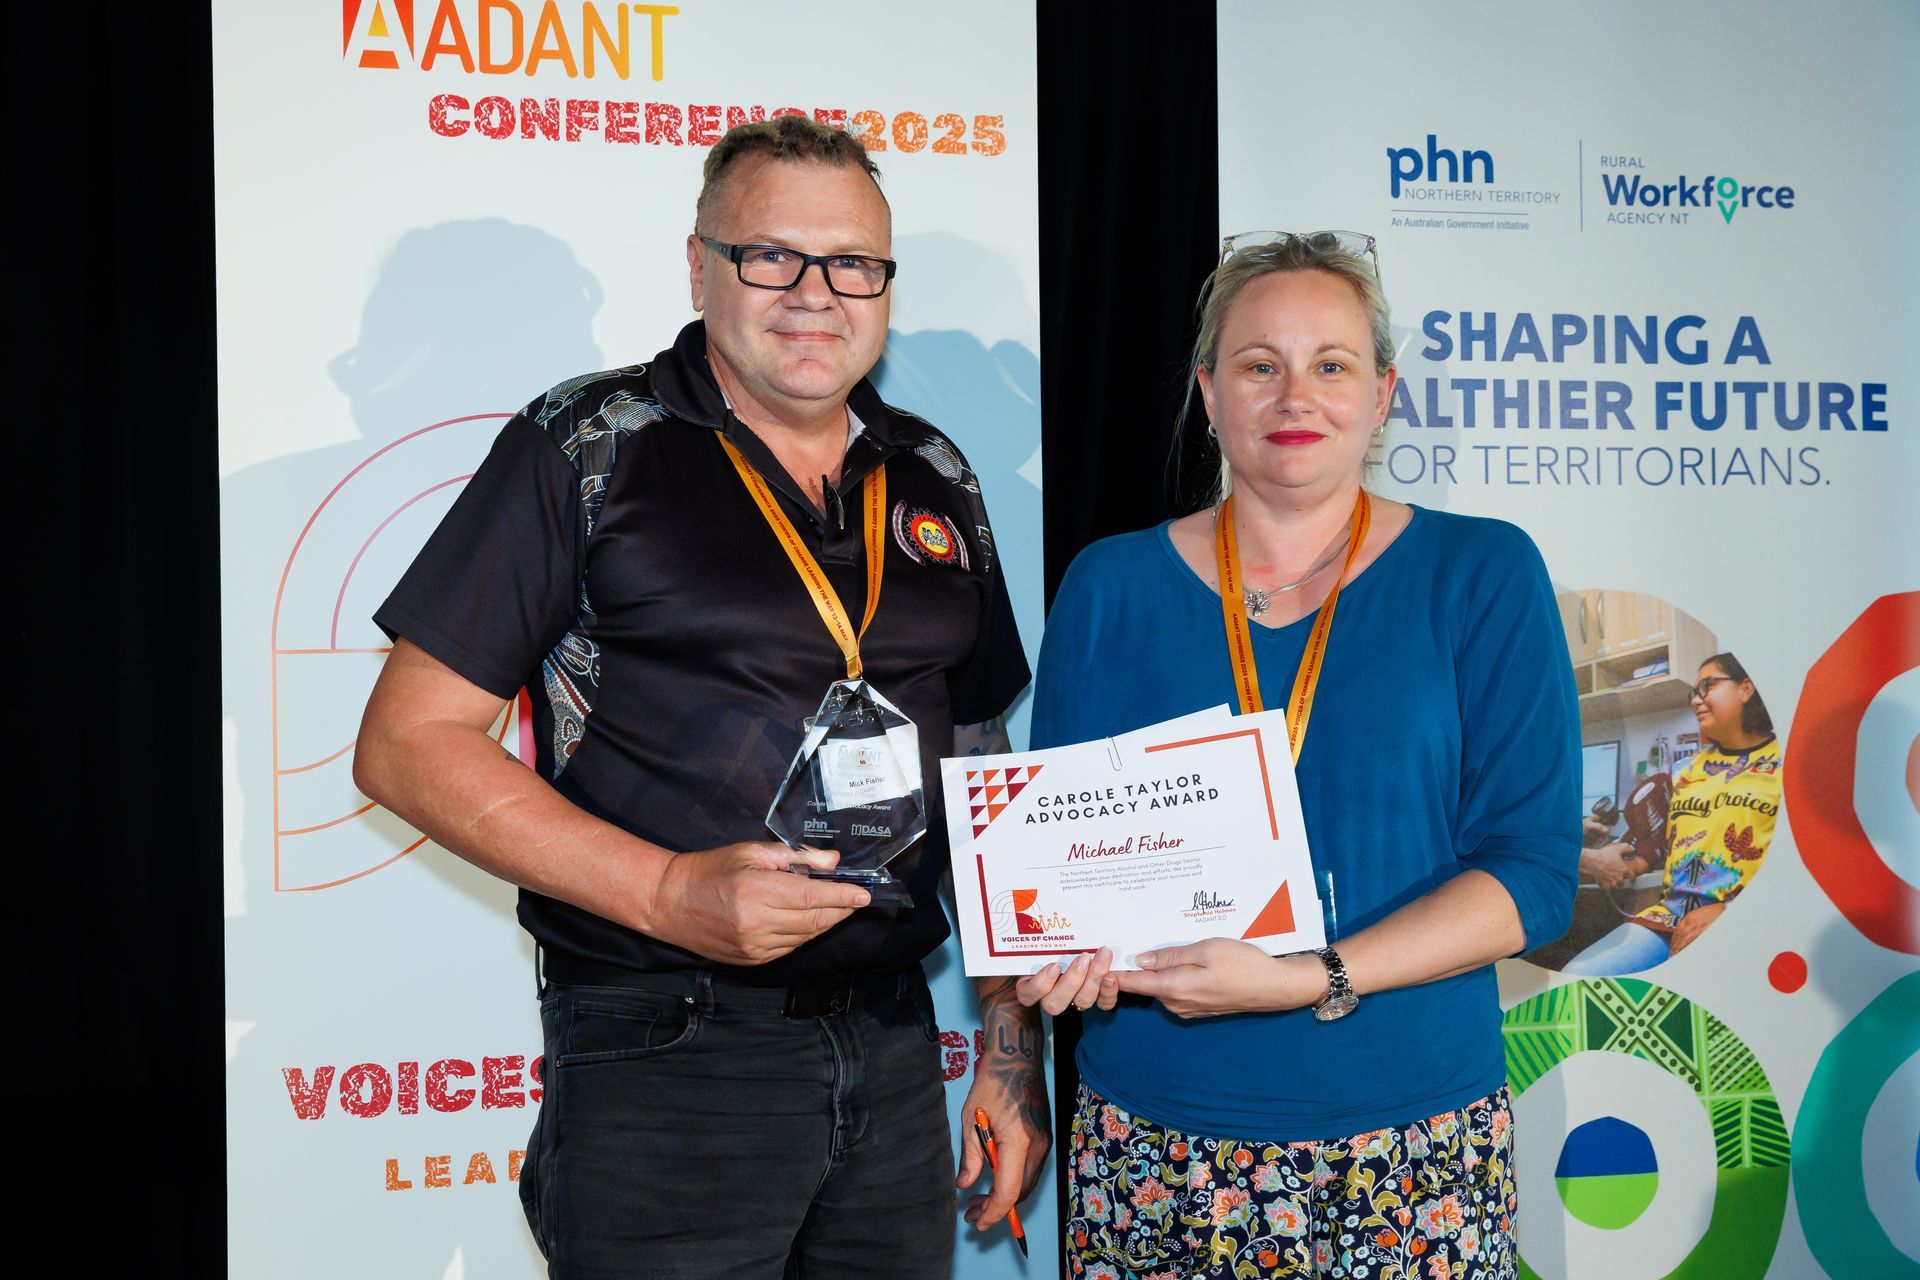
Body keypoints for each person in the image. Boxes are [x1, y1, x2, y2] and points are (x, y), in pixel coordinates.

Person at [353, 115, 1044, 1279]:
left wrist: (1009, 1052)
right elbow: (407, 741)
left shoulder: (937, 470)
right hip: (667, 1044)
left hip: (889, 1036)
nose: (816, 293)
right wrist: (670, 890)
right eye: (770, 255)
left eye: (853, 264)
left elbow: (980, 765)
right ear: (698, 265)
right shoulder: (588, 443)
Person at [1021, 232, 1578, 1279]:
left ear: (1383, 394)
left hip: (1411, 1145)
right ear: (1208, 390)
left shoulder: (1482, 572)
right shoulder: (1110, 587)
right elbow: (1059, 874)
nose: (1296, 393)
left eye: (1332, 363)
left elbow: (1536, 879)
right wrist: (1056, 955)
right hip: (1156, 1140)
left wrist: (1306, 977)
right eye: (1258, 363)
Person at [1563, 654, 1779, 976]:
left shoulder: (1785, 765)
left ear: (1746, 688)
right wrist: (1629, 863)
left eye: (1708, 686)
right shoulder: (1683, 771)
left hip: (1747, 921)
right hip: (1669, 919)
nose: (1696, 698)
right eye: (1692, 691)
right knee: (1578, 977)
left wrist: (1732, 912)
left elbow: (1801, 865)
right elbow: (1659, 845)